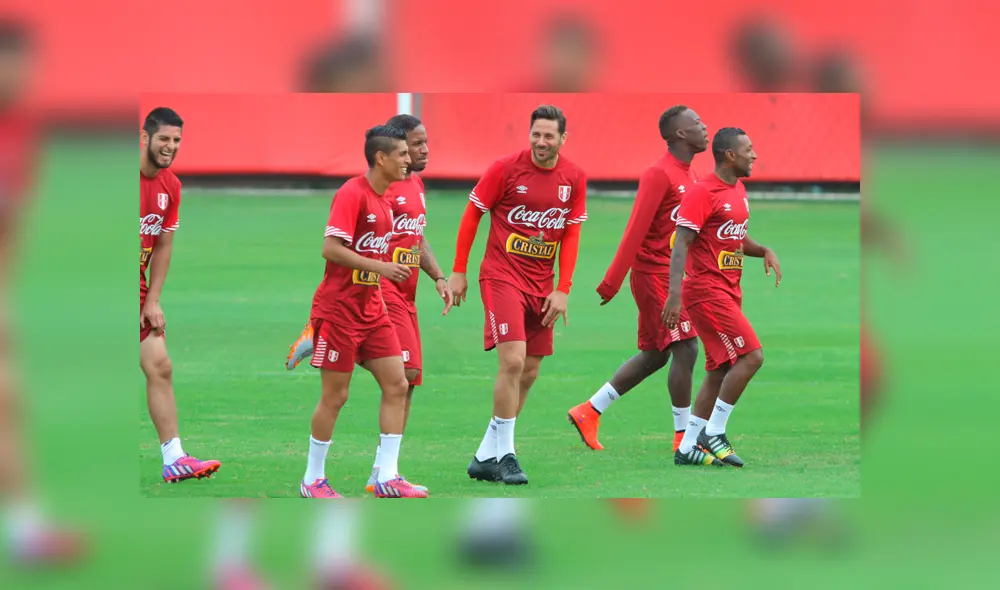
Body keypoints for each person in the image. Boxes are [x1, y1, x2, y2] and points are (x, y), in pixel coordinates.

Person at [284, 114, 452, 493]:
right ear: (381, 158)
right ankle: (312, 480)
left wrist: (430, 275)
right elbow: (331, 249)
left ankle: (387, 477)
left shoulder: (384, 200)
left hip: (371, 308)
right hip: (340, 309)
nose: (410, 159)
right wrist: (381, 267)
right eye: (403, 153)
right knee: (336, 396)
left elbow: (409, 243)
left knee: (397, 383)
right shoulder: (352, 194)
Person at [568, 105, 721, 465]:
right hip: (653, 276)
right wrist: (613, 281)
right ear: (680, 134)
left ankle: (589, 410)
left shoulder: (689, 174)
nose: (704, 126)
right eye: (697, 123)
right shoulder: (659, 174)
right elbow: (636, 228)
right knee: (687, 348)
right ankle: (684, 436)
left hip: (672, 276)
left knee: (657, 353)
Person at [450, 105, 587, 485]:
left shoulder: (574, 177)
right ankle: (507, 456)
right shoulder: (506, 169)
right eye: (536, 134)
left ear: (563, 138)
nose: (541, 142)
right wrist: (459, 269)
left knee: (530, 369)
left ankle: (484, 455)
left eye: (549, 136)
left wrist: (563, 289)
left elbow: (572, 234)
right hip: (501, 276)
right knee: (512, 360)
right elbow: (473, 213)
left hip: (542, 285)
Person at [0, 18, 84, 564]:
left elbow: (12, 226)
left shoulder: (20, 131)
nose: (21, 75)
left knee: (8, 402)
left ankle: (27, 532)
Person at [663, 127, 782, 468]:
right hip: (706, 292)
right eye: (749, 149)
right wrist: (674, 295)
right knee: (752, 356)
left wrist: (764, 250)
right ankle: (713, 432)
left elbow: (734, 238)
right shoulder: (703, 192)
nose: (754, 155)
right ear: (730, 155)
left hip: (729, 290)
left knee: (720, 368)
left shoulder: (738, 190)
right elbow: (681, 243)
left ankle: (687, 447)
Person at [140, 107, 222, 483]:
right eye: (163, 140)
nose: (170, 147)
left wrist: (152, 299)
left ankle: (174, 457)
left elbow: (163, 246)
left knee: (160, 365)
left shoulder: (171, 186)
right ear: (144, 138)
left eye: (176, 141)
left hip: (137, 288)